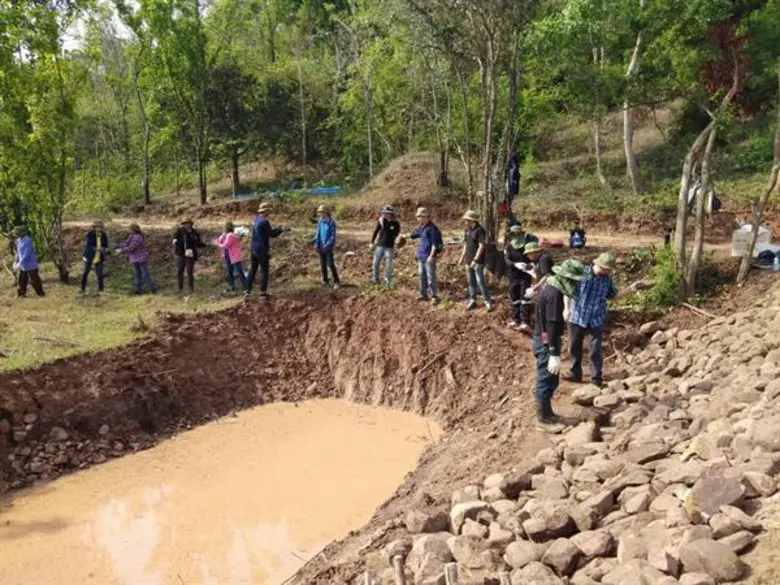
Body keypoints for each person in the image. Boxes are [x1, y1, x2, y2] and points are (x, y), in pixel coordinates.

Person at [566, 252, 639, 387]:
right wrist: (566, 308)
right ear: (596, 264)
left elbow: (614, 296)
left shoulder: (607, 280)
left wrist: (631, 289)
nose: (606, 271)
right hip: (577, 316)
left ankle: (596, 378)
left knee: (595, 349)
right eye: (604, 268)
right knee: (574, 346)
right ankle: (575, 373)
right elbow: (567, 290)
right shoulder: (581, 273)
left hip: (595, 319)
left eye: (608, 270)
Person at [533, 258, 589, 432]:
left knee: (551, 379)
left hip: (548, 339)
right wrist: (553, 353)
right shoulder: (554, 294)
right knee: (544, 379)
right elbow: (550, 324)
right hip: (545, 341)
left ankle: (549, 414)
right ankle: (542, 420)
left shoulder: (553, 287)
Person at [247, 201, 289, 298]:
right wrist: (282, 229)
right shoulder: (265, 221)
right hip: (262, 250)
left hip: (253, 248)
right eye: (268, 211)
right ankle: (263, 292)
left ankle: (247, 291)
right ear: (265, 211)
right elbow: (272, 234)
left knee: (253, 270)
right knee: (264, 271)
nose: (269, 212)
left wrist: (279, 228)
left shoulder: (256, 220)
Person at [504, 224, 538, 332]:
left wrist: (528, 266)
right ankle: (515, 319)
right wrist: (515, 264)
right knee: (515, 298)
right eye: (514, 234)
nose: (517, 235)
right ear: (511, 235)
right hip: (513, 275)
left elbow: (532, 258)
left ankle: (525, 322)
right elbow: (506, 259)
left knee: (525, 298)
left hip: (525, 275)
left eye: (519, 233)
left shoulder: (526, 245)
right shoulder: (509, 245)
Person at [459, 210, 492, 312]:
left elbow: (481, 246)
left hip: (477, 261)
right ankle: (472, 300)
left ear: (472, 220)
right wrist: (462, 258)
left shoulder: (480, 230)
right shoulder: (467, 230)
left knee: (480, 281)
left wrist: (476, 260)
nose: (465, 222)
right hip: (468, 260)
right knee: (471, 282)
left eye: (467, 220)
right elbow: (466, 245)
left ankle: (487, 300)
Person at [410, 207, 443, 305]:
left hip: (428, 256)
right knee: (421, 275)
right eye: (418, 217)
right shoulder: (422, 227)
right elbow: (415, 235)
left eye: (419, 217)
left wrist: (431, 256)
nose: (418, 218)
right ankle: (423, 294)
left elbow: (435, 244)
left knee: (430, 277)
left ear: (425, 217)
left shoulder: (432, 228)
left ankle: (434, 296)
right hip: (421, 256)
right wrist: (405, 236)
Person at [119, 223, 157, 295]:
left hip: (141, 258)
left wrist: (122, 250)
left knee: (145, 275)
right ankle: (137, 290)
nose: (129, 231)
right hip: (134, 259)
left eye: (130, 229)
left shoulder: (138, 237)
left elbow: (131, 248)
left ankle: (153, 289)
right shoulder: (131, 236)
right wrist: (120, 246)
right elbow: (126, 243)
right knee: (137, 275)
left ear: (133, 230)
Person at [214, 221, 248, 295]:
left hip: (234, 257)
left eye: (224, 228)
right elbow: (219, 240)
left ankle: (246, 288)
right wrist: (222, 236)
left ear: (227, 228)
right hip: (228, 256)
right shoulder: (226, 235)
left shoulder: (231, 236)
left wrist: (218, 244)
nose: (224, 229)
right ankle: (231, 287)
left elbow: (225, 245)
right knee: (230, 272)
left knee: (239, 272)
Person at [370, 205, 401, 286]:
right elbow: (376, 231)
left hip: (389, 247)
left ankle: (387, 281)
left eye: (387, 213)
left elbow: (397, 234)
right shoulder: (381, 221)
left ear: (391, 214)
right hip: (380, 245)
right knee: (375, 263)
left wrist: (396, 243)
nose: (385, 215)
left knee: (388, 265)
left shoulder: (396, 224)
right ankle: (375, 279)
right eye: (384, 213)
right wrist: (372, 242)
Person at [172, 219, 204, 294]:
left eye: (188, 223)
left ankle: (191, 289)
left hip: (190, 254)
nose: (187, 225)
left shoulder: (194, 232)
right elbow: (174, 240)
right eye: (185, 224)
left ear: (191, 224)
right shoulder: (179, 231)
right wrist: (179, 244)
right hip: (180, 254)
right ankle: (180, 288)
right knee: (180, 271)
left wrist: (202, 244)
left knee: (189, 271)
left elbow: (198, 242)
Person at [12, 226, 45, 298]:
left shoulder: (28, 241)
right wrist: (15, 261)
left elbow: (26, 254)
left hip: (30, 265)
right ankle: (21, 294)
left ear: (21, 233)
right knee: (21, 281)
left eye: (17, 234)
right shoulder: (18, 241)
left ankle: (41, 294)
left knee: (34, 280)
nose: (16, 236)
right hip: (23, 266)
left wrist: (19, 263)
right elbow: (18, 252)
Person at [313, 205, 340, 289]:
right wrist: (315, 243)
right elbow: (318, 234)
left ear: (326, 212)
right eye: (319, 212)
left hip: (328, 248)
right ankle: (325, 281)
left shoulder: (331, 222)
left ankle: (336, 281)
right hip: (320, 247)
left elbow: (332, 236)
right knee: (322, 264)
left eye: (322, 212)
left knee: (330, 264)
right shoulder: (320, 221)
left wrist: (327, 245)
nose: (320, 214)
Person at [81, 220, 109, 293]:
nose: (100, 228)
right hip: (89, 255)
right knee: (85, 272)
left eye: (101, 227)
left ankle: (101, 289)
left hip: (99, 256)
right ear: (94, 227)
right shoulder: (90, 234)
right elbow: (89, 246)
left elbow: (106, 245)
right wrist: (98, 248)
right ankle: (82, 288)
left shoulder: (103, 235)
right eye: (98, 227)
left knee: (99, 273)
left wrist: (105, 249)